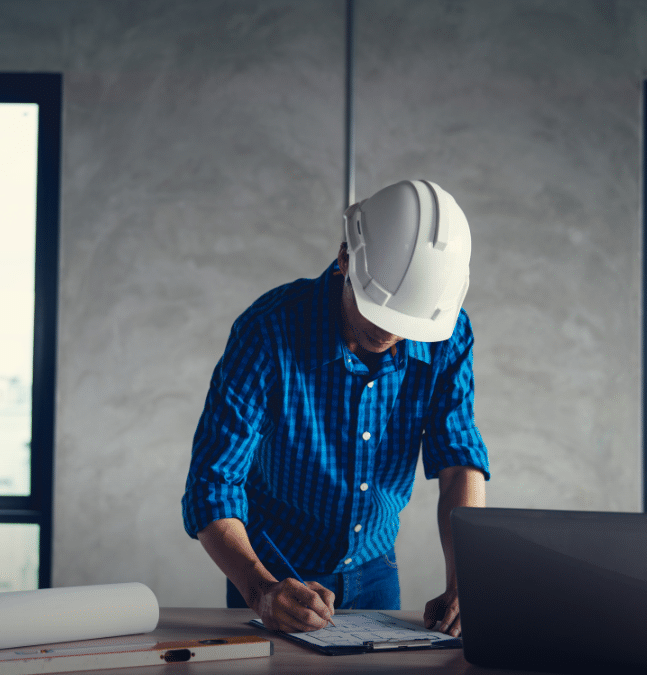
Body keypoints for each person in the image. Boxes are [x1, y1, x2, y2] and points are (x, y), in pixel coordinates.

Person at [181, 179, 489, 637]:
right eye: (377, 310)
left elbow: (459, 459)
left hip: (375, 569)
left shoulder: (445, 333)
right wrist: (261, 590)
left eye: (405, 325)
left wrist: (466, 580)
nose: (389, 334)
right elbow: (212, 483)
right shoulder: (267, 331)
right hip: (273, 568)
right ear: (345, 258)